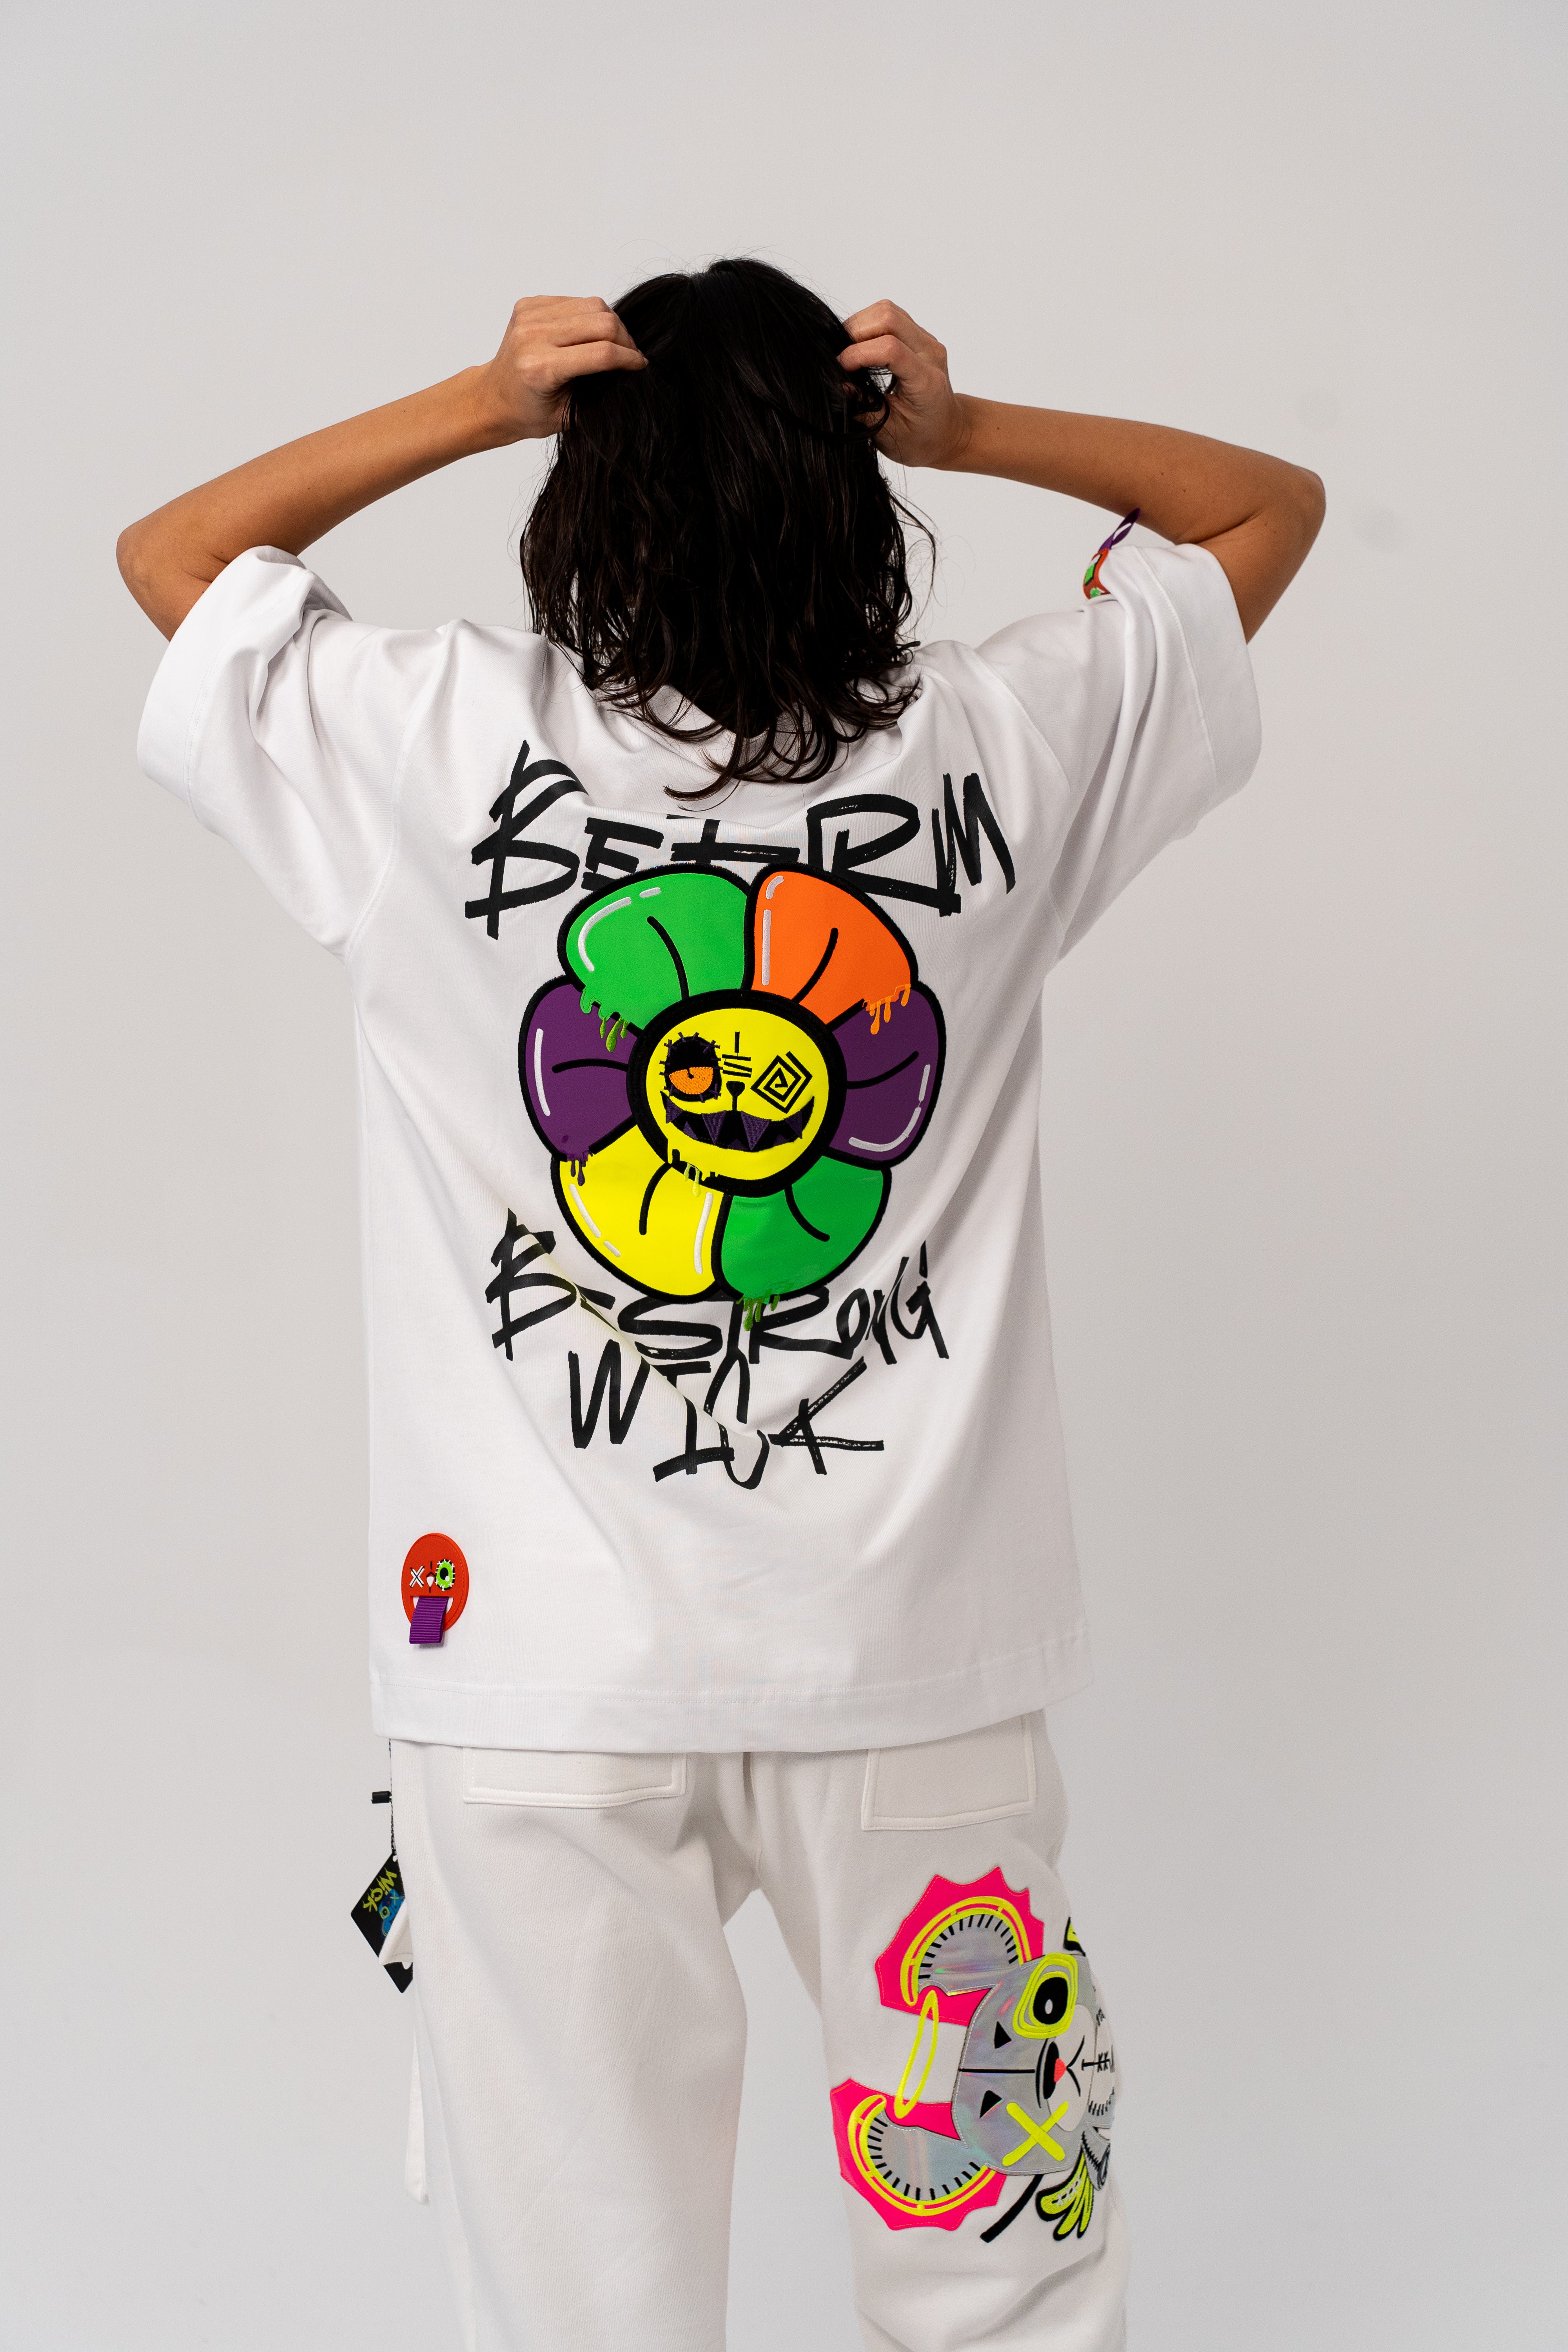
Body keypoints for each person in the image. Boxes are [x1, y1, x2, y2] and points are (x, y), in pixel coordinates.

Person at [120, 260, 1322, 2352]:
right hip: (916, 1673)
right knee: (1007, 2276)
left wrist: (479, 401)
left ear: (584, 500)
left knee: (578, 2306)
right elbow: (1265, 511)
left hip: (535, 1693)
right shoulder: (999, 746)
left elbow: (177, 559)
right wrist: (970, 432)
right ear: (856, 495)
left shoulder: (431, 744)